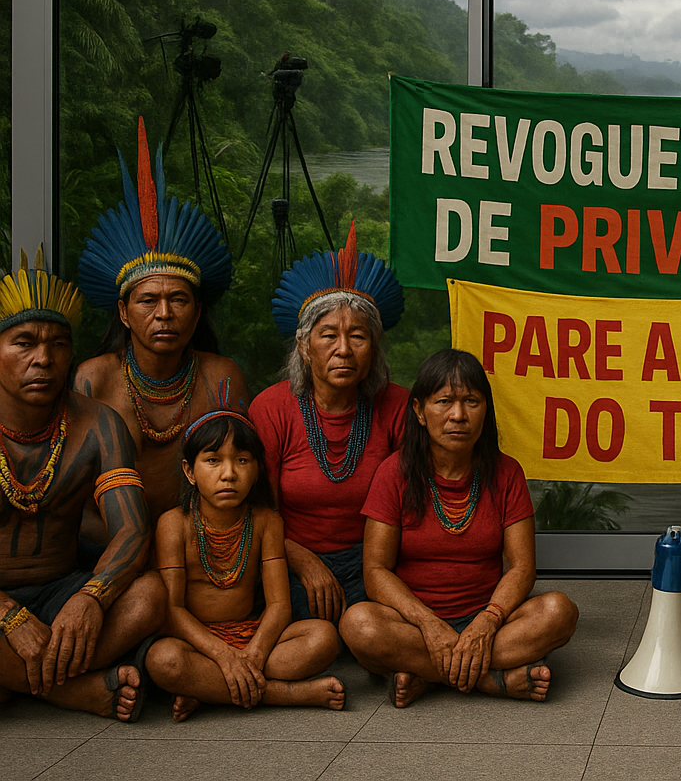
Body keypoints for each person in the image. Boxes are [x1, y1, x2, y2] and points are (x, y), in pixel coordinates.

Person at [339, 349, 578, 708]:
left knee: (559, 612)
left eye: (471, 401)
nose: (458, 415)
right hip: (415, 623)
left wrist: (487, 622)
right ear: (419, 411)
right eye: (444, 401)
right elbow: (375, 570)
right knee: (358, 625)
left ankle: (428, 674)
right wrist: (429, 625)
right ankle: (490, 680)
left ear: (486, 410)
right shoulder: (394, 473)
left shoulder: (506, 472)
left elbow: (522, 566)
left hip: (489, 614)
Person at [0, 252, 165, 721]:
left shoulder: (97, 424)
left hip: (61, 590)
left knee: (150, 595)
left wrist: (93, 595)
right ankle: (71, 690)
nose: (43, 359)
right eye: (23, 343)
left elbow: (133, 531)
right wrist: (8, 615)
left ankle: (17, 678)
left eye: (58, 344)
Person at [74, 118, 249, 547]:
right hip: (108, 552)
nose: (165, 313)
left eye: (180, 300)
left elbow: (245, 479)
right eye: (148, 300)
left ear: (197, 310)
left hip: (203, 555)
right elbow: (70, 501)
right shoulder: (92, 380)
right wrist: (130, 554)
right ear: (124, 312)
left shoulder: (222, 378)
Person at [249, 223, 410, 624]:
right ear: (304, 346)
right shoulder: (271, 408)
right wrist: (306, 563)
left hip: (378, 559)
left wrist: (376, 570)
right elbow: (255, 511)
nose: (343, 349)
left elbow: (413, 504)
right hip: (289, 557)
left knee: (382, 621)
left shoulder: (399, 406)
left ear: (373, 348)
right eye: (328, 336)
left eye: (358, 336)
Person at [145, 399, 346, 720]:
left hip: (251, 635)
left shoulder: (266, 521)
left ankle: (210, 691)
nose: (228, 474)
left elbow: (279, 605)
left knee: (323, 637)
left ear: (256, 470)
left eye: (242, 460)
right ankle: (286, 695)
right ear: (189, 471)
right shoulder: (173, 524)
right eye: (212, 460)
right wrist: (223, 657)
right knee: (164, 660)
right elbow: (172, 609)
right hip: (198, 643)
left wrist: (254, 653)